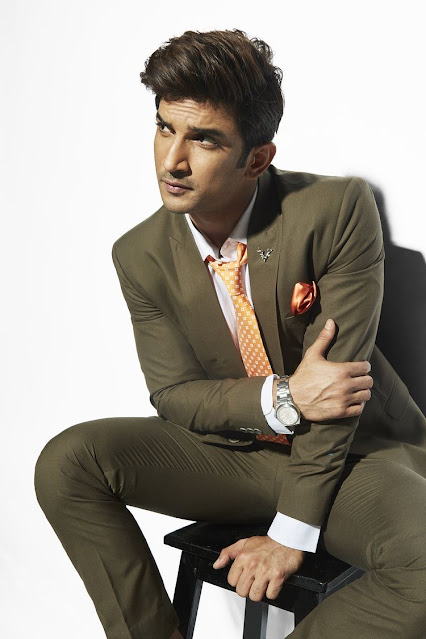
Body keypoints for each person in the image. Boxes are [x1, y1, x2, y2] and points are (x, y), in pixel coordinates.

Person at [35, 29, 426, 639]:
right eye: (164, 128)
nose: (172, 160)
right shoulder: (139, 254)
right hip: (232, 454)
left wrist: (290, 534)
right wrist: (284, 396)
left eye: (203, 139)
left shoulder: (334, 210)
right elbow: (175, 395)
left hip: (349, 456)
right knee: (69, 464)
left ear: (257, 158)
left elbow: (339, 394)